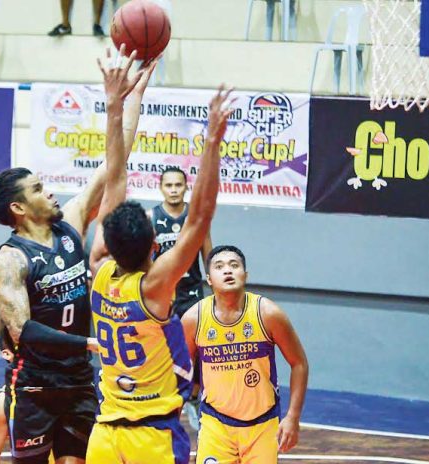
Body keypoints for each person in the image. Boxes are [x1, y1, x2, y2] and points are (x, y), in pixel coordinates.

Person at [0, 45, 155, 464]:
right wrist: (88, 342)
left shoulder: (71, 224)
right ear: (19, 209)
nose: (51, 191)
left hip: (77, 379)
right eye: (39, 189)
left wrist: (128, 100)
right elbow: (25, 331)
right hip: (35, 385)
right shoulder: (11, 258)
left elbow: (114, 164)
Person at [85, 77, 235, 464]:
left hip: (104, 434)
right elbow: (200, 217)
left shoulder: (98, 269)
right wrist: (212, 141)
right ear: (155, 245)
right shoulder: (155, 287)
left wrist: (114, 105)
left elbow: (114, 179)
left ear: (108, 243)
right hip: (150, 437)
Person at [181, 245, 309, 464]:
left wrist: (293, 417)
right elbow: (178, 371)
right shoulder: (194, 318)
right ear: (209, 279)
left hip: (262, 425)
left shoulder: (267, 313)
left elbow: (299, 363)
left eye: (234, 265)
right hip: (216, 424)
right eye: (219, 267)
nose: (228, 271)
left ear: (245, 275)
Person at [149, 166, 212, 318]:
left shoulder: (197, 217)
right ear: (161, 188)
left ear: (186, 186)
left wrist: (215, 285)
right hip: (161, 291)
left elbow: (209, 255)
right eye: (169, 185)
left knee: (193, 339)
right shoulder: (150, 217)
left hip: (191, 291)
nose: (174, 190)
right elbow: (144, 260)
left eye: (178, 185)